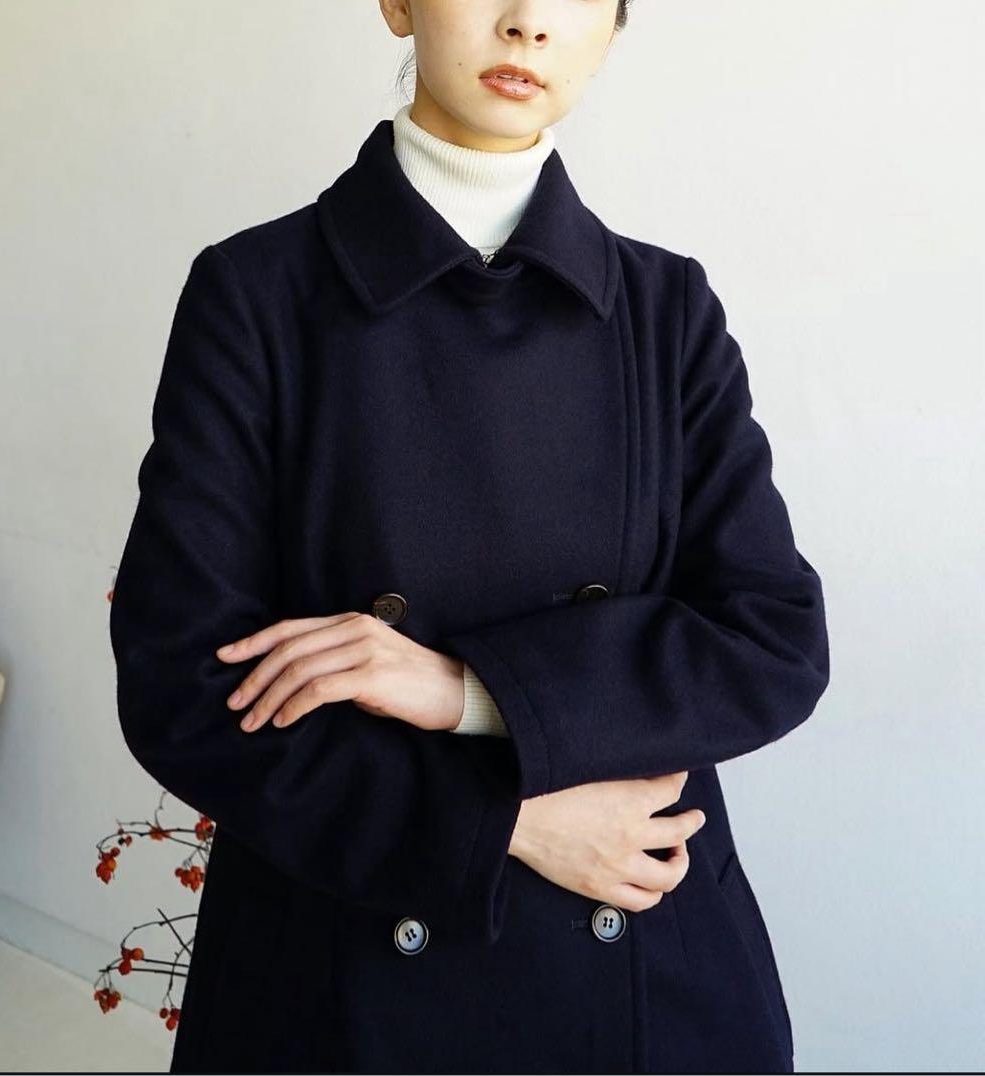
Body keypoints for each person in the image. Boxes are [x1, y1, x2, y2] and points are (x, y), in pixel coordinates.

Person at [109, 1, 830, 1072]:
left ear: (613, 28)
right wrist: (503, 824)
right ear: (398, 4)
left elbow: (772, 642)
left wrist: (464, 690)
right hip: (348, 955)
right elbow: (183, 682)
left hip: (640, 941)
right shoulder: (257, 292)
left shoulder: (667, 308)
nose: (528, 22)